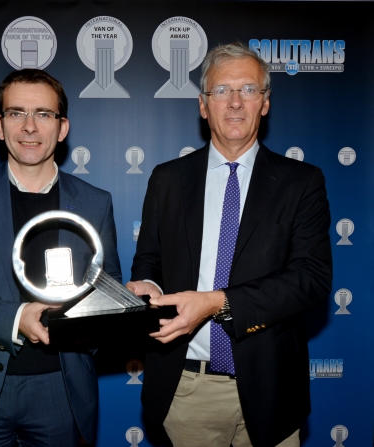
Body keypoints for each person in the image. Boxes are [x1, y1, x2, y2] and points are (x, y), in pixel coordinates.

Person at [126, 43, 332, 447]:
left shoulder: (301, 182)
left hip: (273, 387)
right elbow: (148, 259)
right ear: (204, 105)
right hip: (187, 390)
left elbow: (311, 279)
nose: (235, 102)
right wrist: (147, 286)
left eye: (248, 90)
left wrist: (218, 302)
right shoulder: (167, 179)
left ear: (265, 103)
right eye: (222, 91)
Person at [0, 69, 121, 447]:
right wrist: (15, 318)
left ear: (62, 128)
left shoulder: (95, 202)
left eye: (43, 114)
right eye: (16, 113)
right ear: (0, 126)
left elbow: (105, 294)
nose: (29, 127)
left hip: (60, 391)